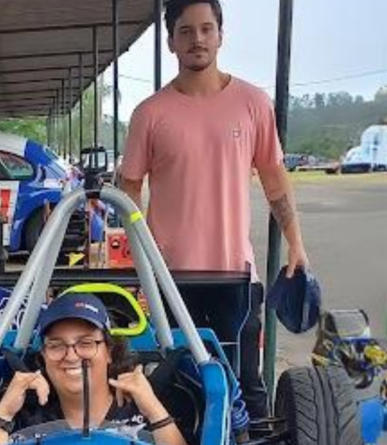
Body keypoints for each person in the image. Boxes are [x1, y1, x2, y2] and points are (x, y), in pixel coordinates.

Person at [118, 0, 309, 420]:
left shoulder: (253, 103)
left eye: (206, 29)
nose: (197, 39)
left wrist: (296, 245)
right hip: (170, 280)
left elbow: (275, 178)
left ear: (221, 35)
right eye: (186, 31)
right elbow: (127, 187)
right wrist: (142, 257)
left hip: (236, 276)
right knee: (177, 387)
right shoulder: (150, 114)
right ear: (170, 41)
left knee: (245, 384)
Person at [0, 293, 187, 445]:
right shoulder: (26, 417)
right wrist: (3, 416)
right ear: (44, 356)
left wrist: (155, 410)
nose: (71, 356)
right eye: (56, 345)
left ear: (109, 351)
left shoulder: (143, 409)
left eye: (86, 343)